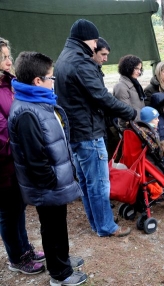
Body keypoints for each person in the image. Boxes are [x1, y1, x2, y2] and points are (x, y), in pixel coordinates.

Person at [8, 51, 87, 285]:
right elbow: (35, 158)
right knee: (52, 229)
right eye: (51, 78)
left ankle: (61, 259)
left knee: (57, 226)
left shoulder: (38, 102)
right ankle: (59, 274)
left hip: (53, 184)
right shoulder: (27, 112)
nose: (54, 82)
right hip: (47, 186)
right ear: (37, 81)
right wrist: (52, 181)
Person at [54, 19, 136, 237]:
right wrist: (130, 112)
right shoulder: (81, 62)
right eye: (94, 41)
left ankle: (97, 223)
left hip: (75, 132)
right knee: (99, 184)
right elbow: (101, 97)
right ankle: (106, 226)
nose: (95, 45)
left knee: (88, 183)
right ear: (87, 39)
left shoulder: (64, 57)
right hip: (88, 132)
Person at [0, 38, 45, 275]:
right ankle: (16, 257)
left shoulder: (9, 84)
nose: (9, 61)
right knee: (8, 212)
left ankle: (25, 248)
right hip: (5, 164)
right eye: (4, 57)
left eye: (9, 55)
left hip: (16, 161)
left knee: (18, 208)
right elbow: (2, 132)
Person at [113, 55, 145, 125]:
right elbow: (126, 112)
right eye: (136, 69)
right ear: (128, 68)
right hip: (130, 128)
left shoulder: (135, 84)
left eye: (140, 69)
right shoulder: (121, 87)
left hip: (139, 125)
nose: (139, 72)